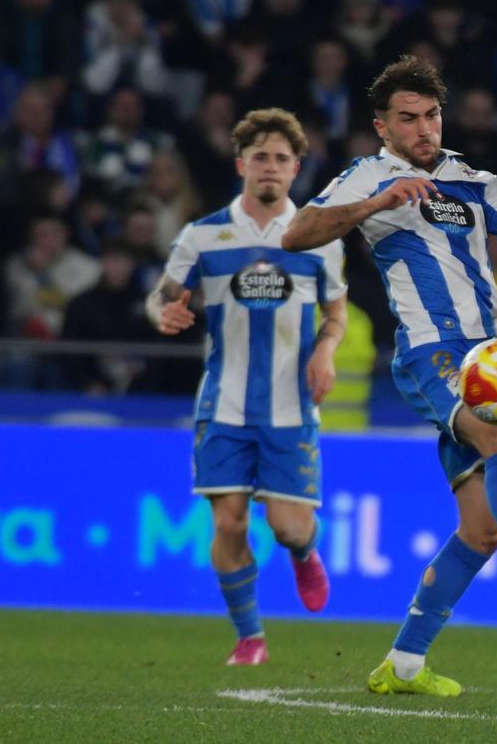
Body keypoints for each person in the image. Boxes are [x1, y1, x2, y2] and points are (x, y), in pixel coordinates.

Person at [281, 56, 497, 698]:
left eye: (431, 115)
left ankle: (405, 663)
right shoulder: (369, 175)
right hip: (432, 352)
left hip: (494, 351)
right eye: (408, 119)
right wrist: (376, 203)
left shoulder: (470, 179)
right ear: (382, 127)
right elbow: (297, 233)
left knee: (481, 528)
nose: (423, 128)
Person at [146, 108, 346, 667]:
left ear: (296, 168)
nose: (271, 167)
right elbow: (163, 293)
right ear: (241, 164)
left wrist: (326, 350)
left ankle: (305, 552)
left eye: (282, 159)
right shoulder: (205, 234)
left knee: (286, 526)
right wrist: (164, 312)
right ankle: (250, 636)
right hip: (224, 404)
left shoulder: (317, 236)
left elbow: (336, 311)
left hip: (291, 404)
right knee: (229, 521)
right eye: (260, 156)